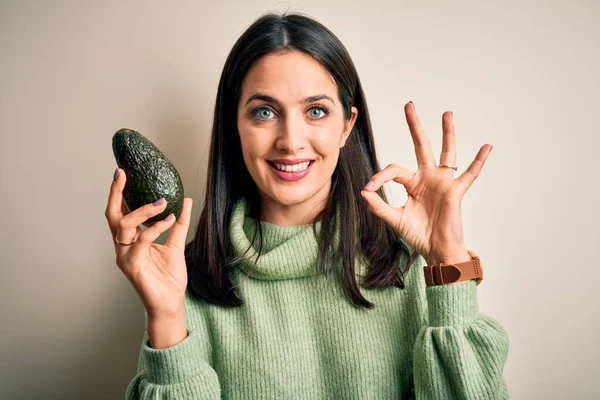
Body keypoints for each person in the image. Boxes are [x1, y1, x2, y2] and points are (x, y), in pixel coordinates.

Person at [105, 11, 509, 399]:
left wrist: (448, 261)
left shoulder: (408, 270)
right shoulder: (187, 282)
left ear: (347, 126)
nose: (291, 140)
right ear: (235, 127)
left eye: (316, 111)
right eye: (264, 112)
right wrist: (167, 316)